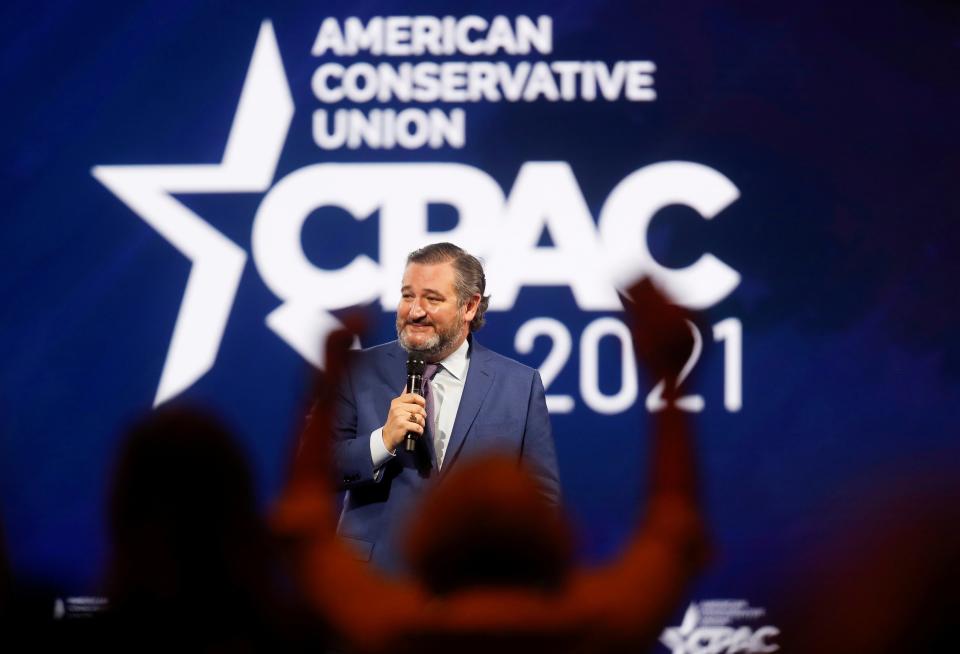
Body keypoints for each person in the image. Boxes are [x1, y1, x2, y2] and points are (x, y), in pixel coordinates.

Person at [275, 278, 709, 654]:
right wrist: (671, 382)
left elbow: (301, 529)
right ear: (554, 536)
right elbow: (674, 531)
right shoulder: (606, 628)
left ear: (427, 536)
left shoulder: (382, 630)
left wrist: (325, 385)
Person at [321, 242, 560, 574]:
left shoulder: (520, 385)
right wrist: (383, 440)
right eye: (407, 296)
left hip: (476, 586)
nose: (415, 311)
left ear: (470, 306)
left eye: (432, 299)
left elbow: (541, 499)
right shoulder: (356, 370)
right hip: (372, 582)